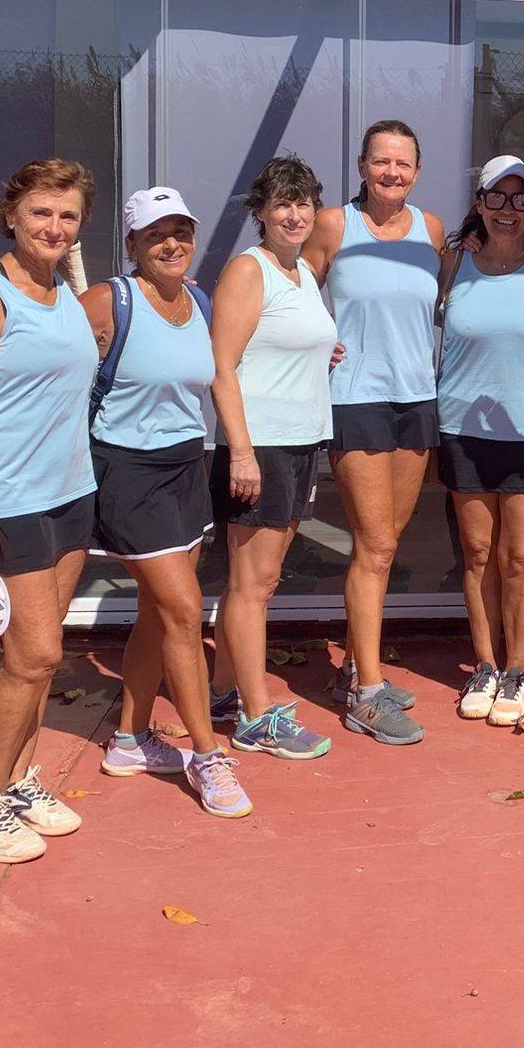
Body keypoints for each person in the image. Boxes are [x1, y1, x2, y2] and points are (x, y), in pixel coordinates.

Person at [0, 159, 101, 864]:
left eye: (67, 216)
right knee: (34, 657)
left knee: (42, 659)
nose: (54, 227)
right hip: (12, 503)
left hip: (71, 494)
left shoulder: (64, 292)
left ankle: (19, 780)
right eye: (40, 212)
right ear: (11, 215)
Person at [79, 188, 251, 819]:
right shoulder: (108, 301)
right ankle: (207, 755)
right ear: (133, 244)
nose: (172, 244)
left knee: (157, 613)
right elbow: (49, 369)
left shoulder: (199, 302)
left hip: (185, 468)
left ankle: (129, 740)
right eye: (156, 234)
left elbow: (222, 367)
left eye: (181, 231)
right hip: (126, 474)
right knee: (183, 612)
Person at [307, 119, 446, 745]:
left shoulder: (431, 230)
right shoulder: (333, 225)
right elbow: (291, 290)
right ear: (362, 165)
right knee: (376, 545)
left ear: (417, 171)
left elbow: (442, 302)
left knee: (387, 544)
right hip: (356, 397)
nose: (392, 172)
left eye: (403, 163)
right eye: (381, 161)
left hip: (416, 398)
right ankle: (366, 692)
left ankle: (355, 668)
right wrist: (316, 344)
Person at [206, 155, 338, 764]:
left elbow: (276, 342)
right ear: (260, 211)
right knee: (252, 586)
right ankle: (257, 717)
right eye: (282, 203)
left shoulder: (302, 271)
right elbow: (221, 365)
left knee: (259, 581)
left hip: (300, 441)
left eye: (303, 203)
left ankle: (221, 693)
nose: (294, 214)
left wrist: (319, 353)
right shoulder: (248, 269)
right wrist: (241, 451)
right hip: (261, 446)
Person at [436, 155, 524, 730]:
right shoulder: (453, 264)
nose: (507, 210)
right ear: (480, 202)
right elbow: (404, 322)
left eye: (520, 198)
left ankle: (517, 670)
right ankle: (485, 667)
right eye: (496, 197)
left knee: (521, 558)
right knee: (479, 555)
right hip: (463, 430)